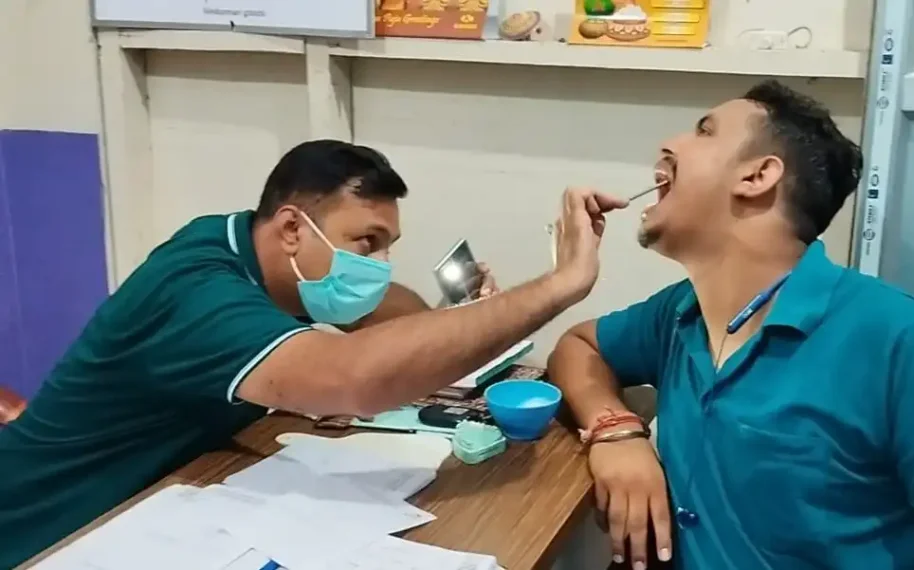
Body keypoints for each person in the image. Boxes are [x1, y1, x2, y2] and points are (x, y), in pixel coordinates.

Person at [0, 140, 628, 567]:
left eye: (387, 245)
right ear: (293, 228)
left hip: (162, 504)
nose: (379, 264)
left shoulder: (264, 251)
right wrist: (558, 284)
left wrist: (462, 318)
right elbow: (353, 381)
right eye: (367, 243)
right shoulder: (198, 290)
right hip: (52, 531)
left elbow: (392, 315)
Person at [548, 80, 914, 570]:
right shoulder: (678, 313)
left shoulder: (909, 345)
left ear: (758, 176)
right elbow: (578, 347)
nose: (669, 144)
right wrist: (615, 430)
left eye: (705, 131)